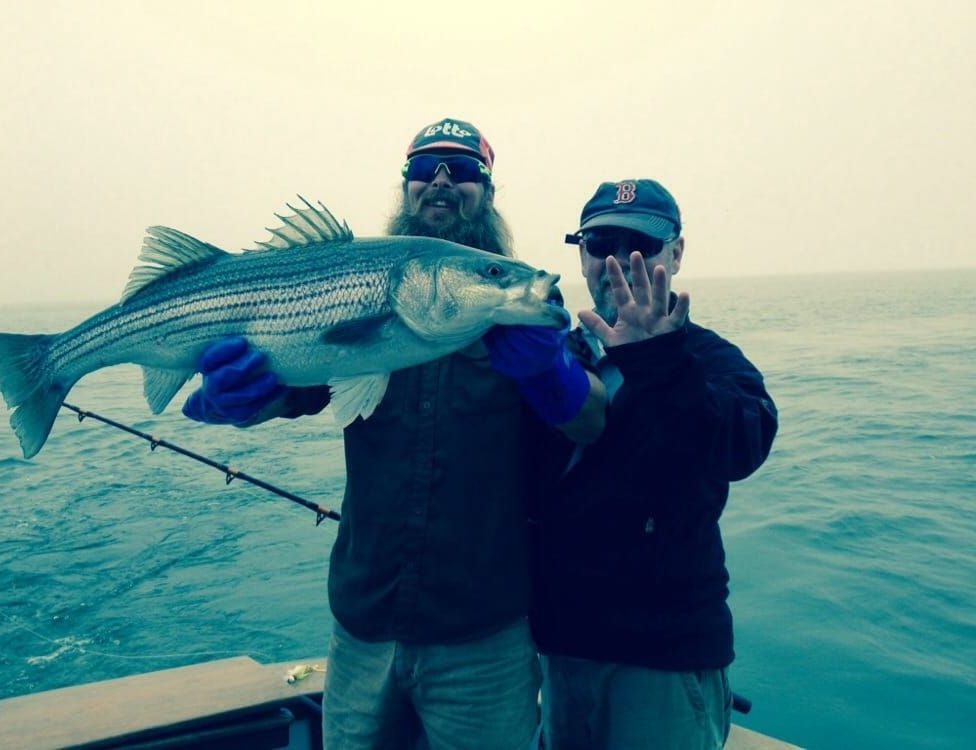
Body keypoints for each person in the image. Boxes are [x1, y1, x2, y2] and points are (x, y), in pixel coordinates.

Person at [180, 118, 605, 750]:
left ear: (488, 194)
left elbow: (590, 420)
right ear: (403, 188)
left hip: (482, 635)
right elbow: (290, 389)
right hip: (363, 627)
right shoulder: (350, 288)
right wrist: (239, 400)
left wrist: (554, 377)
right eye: (423, 170)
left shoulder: (525, 323)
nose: (440, 182)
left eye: (462, 172)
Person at [529, 179, 779, 749]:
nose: (618, 260)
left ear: (677, 254)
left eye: (639, 244)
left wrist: (657, 364)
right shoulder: (553, 359)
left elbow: (744, 444)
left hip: (665, 660)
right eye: (600, 243)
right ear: (582, 255)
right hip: (562, 653)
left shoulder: (709, 361)